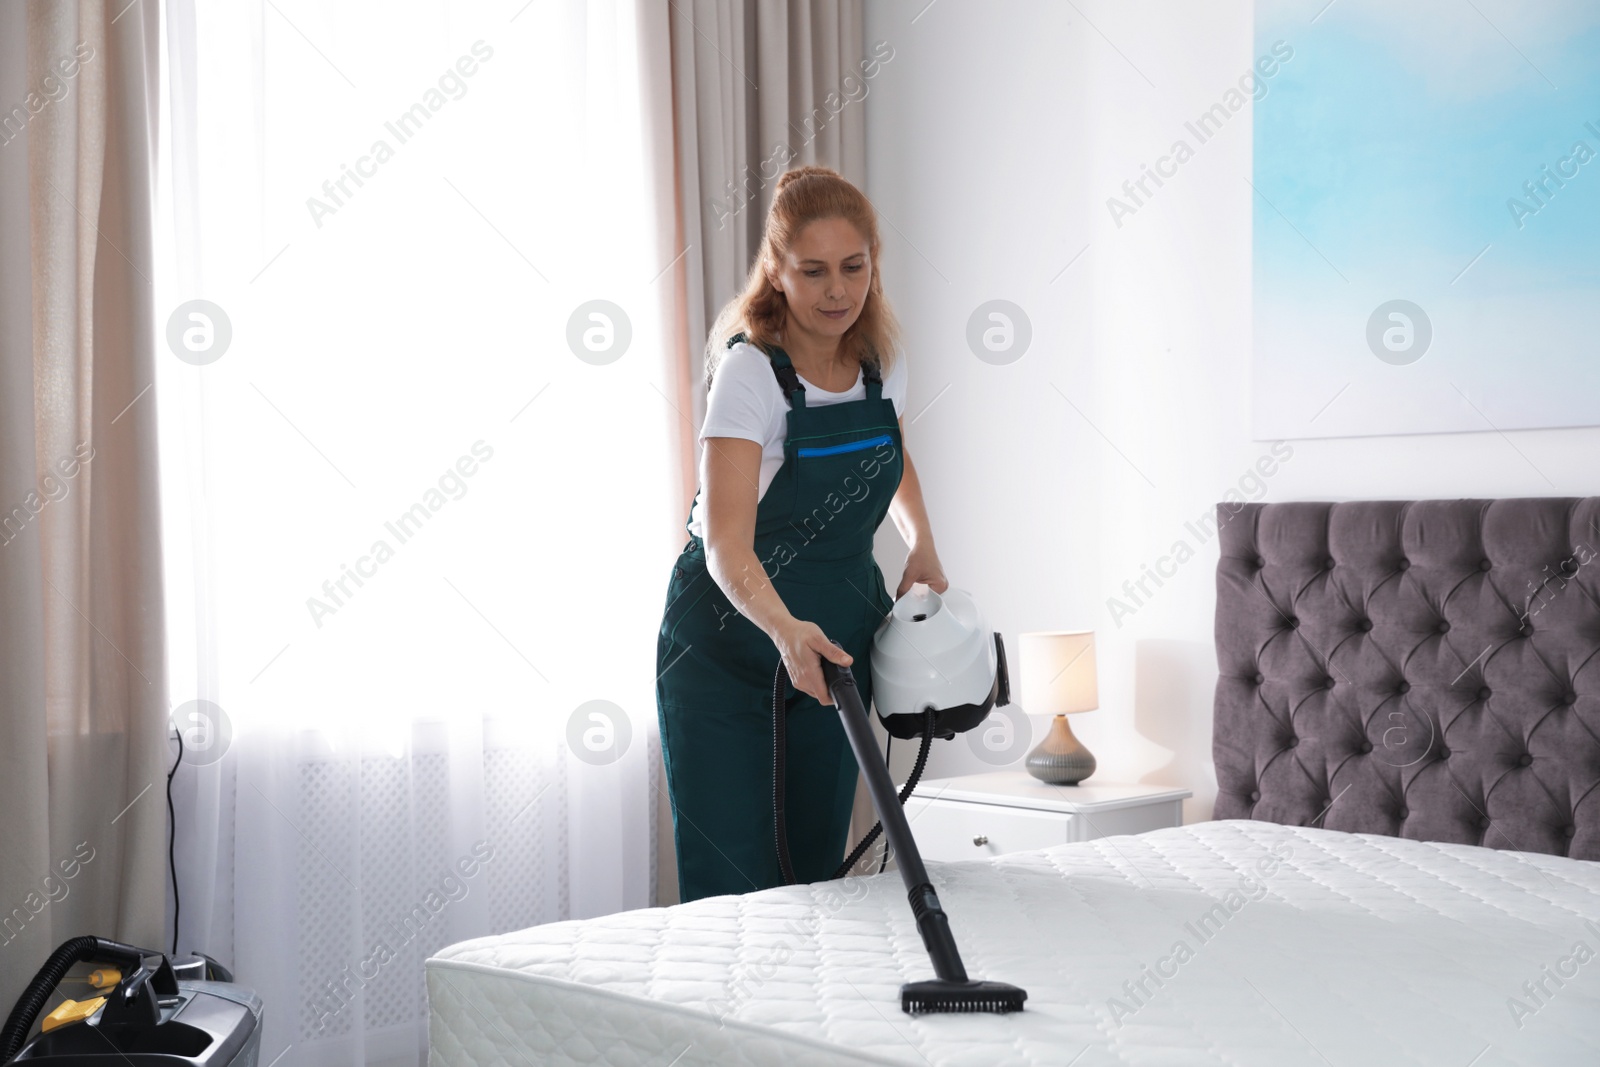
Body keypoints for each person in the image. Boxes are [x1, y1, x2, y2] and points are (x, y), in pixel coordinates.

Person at [655, 165, 948, 904]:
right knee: (736, 885)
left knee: (817, 876)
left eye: (853, 267)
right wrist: (785, 631)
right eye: (812, 271)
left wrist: (923, 542)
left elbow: (892, 456)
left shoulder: (882, 363)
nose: (836, 290)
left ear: (873, 264)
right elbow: (725, 541)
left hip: (833, 646)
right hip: (727, 643)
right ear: (777, 273)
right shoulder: (753, 373)